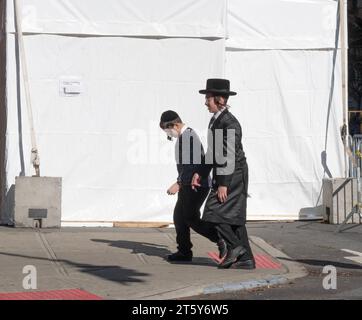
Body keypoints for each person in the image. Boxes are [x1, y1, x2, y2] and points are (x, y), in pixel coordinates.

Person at [192, 79, 255, 269]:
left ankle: (236, 248)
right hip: (227, 173)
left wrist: (223, 184)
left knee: (212, 212)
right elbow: (214, 152)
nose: (205, 102)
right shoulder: (217, 119)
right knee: (233, 218)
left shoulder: (230, 123)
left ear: (219, 100)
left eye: (208, 98)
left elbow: (228, 154)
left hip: (233, 174)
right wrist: (201, 173)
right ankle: (247, 260)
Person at [159, 110, 227, 262]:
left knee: (191, 218)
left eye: (167, 129)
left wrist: (178, 183)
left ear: (175, 124)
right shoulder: (185, 136)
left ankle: (220, 238)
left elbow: (193, 164)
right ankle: (184, 251)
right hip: (189, 184)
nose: (168, 134)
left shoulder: (188, 136)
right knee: (179, 217)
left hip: (196, 185)